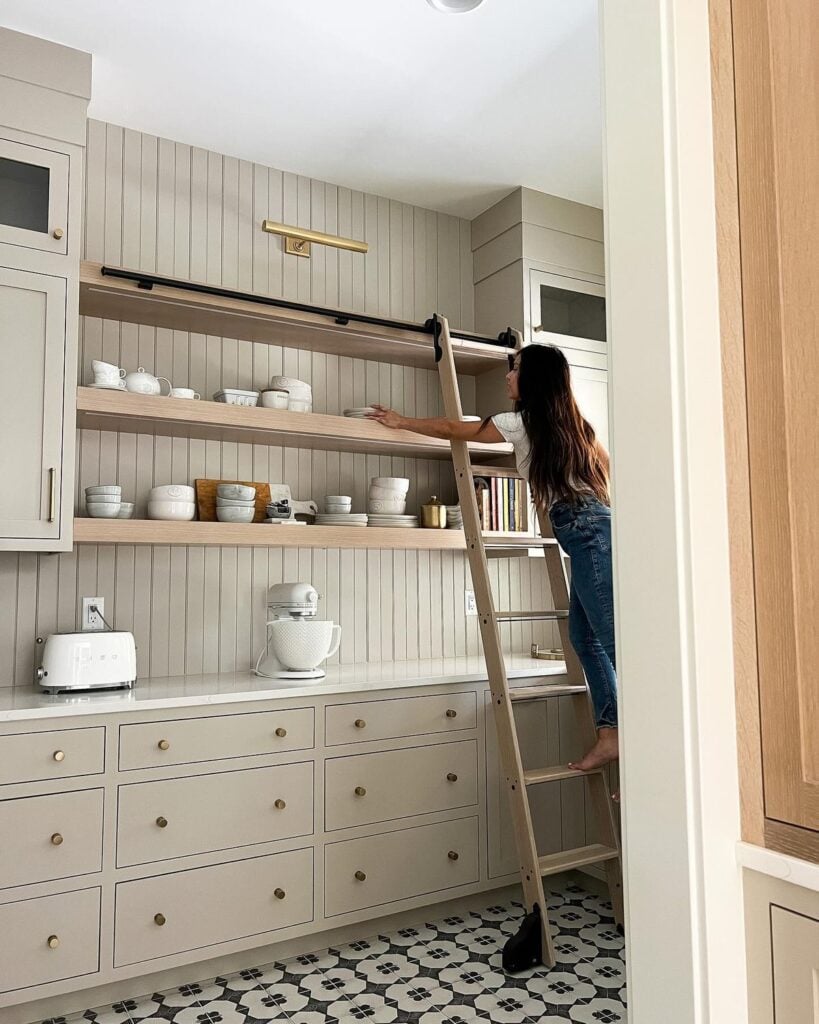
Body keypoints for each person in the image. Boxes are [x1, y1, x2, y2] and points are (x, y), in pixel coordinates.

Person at [368, 344, 618, 772]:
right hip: (591, 529)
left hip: (587, 530)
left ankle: (647, 751)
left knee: (614, 641)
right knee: (587, 638)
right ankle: (610, 733)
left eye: (515, 369)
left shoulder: (520, 423)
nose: (507, 377)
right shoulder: (577, 429)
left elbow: (455, 427)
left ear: (534, 379)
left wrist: (402, 421)